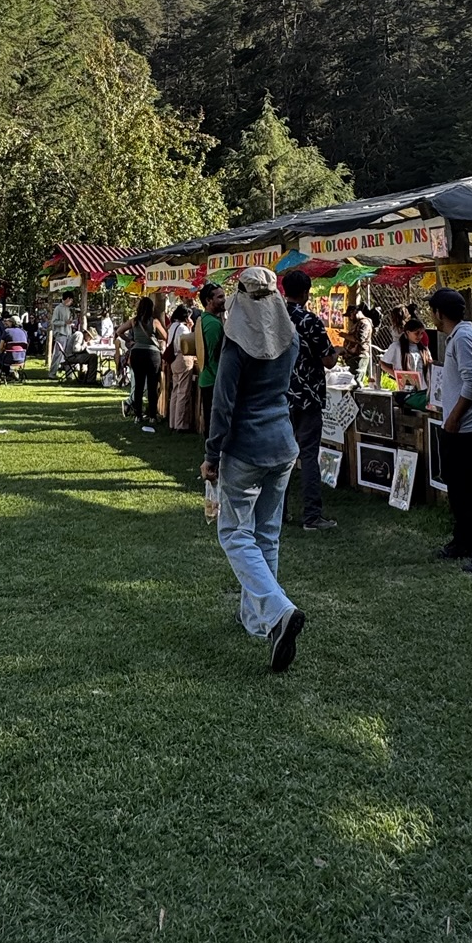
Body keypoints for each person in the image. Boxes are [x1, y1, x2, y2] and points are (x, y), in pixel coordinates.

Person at [201, 267, 306, 673]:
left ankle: (277, 611)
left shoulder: (236, 346)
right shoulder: (290, 339)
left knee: (234, 533)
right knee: (267, 535)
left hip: (245, 449)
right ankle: (256, 618)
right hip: (283, 445)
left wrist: (212, 454)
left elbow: (222, 404)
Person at [429, 287, 472, 573]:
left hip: (467, 428)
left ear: (439, 313)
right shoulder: (457, 337)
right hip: (456, 427)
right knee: (457, 489)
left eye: (433, 312)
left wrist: (455, 417)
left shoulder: (464, 338)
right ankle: (463, 540)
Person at [280, 268, 340, 532]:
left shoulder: (275, 318)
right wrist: (336, 352)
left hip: (281, 394)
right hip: (308, 396)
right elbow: (328, 360)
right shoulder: (309, 320)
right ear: (305, 293)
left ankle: (278, 512)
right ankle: (312, 516)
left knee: (281, 456)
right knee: (308, 455)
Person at [124, 296, 166, 433]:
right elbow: (165, 336)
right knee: (152, 386)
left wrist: (130, 341)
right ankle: (152, 416)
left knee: (139, 385)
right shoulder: (155, 321)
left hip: (137, 353)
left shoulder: (134, 321)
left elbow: (118, 331)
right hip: (152, 354)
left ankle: (138, 416)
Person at [193, 280, 225, 434]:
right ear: (208, 300)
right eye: (219, 297)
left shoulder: (203, 319)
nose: (224, 300)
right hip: (214, 379)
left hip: (207, 379)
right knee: (216, 426)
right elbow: (215, 356)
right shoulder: (213, 324)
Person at [381, 312, 434, 390]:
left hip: (424, 388)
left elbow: (430, 364)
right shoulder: (396, 346)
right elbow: (383, 364)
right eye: (416, 333)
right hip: (407, 388)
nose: (420, 336)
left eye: (422, 333)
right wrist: (397, 375)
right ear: (408, 332)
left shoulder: (424, 348)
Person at [168, 315, 200, 430]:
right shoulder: (183, 328)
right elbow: (187, 344)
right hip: (183, 358)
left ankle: (172, 422)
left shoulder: (173, 326)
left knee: (175, 391)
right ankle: (181, 424)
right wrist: (190, 329)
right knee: (183, 392)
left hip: (174, 359)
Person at [343, 300, 375, 385]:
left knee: (355, 382)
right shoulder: (358, 323)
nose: (350, 318)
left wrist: (345, 336)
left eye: (350, 315)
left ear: (355, 312)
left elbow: (360, 339)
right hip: (353, 357)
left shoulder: (364, 323)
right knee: (350, 382)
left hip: (359, 356)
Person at [48, 294, 78, 378]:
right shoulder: (58, 308)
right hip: (61, 334)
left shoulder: (68, 309)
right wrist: (64, 323)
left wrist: (70, 324)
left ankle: (69, 374)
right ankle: (52, 373)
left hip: (68, 334)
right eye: (71, 300)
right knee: (58, 354)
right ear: (67, 298)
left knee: (69, 355)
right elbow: (54, 322)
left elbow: (68, 322)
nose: (71, 302)